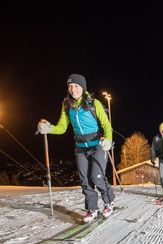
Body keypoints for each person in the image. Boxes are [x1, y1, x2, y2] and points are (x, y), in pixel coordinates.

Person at [37, 74, 115, 223]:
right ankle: (92, 209)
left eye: (76, 86)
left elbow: (106, 125)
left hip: (97, 145)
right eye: (70, 86)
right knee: (85, 180)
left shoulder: (93, 103)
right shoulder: (67, 105)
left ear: (83, 87)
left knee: (97, 176)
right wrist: (49, 128)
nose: (73, 89)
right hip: (80, 147)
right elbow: (61, 128)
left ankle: (109, 202)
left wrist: (108, 140)